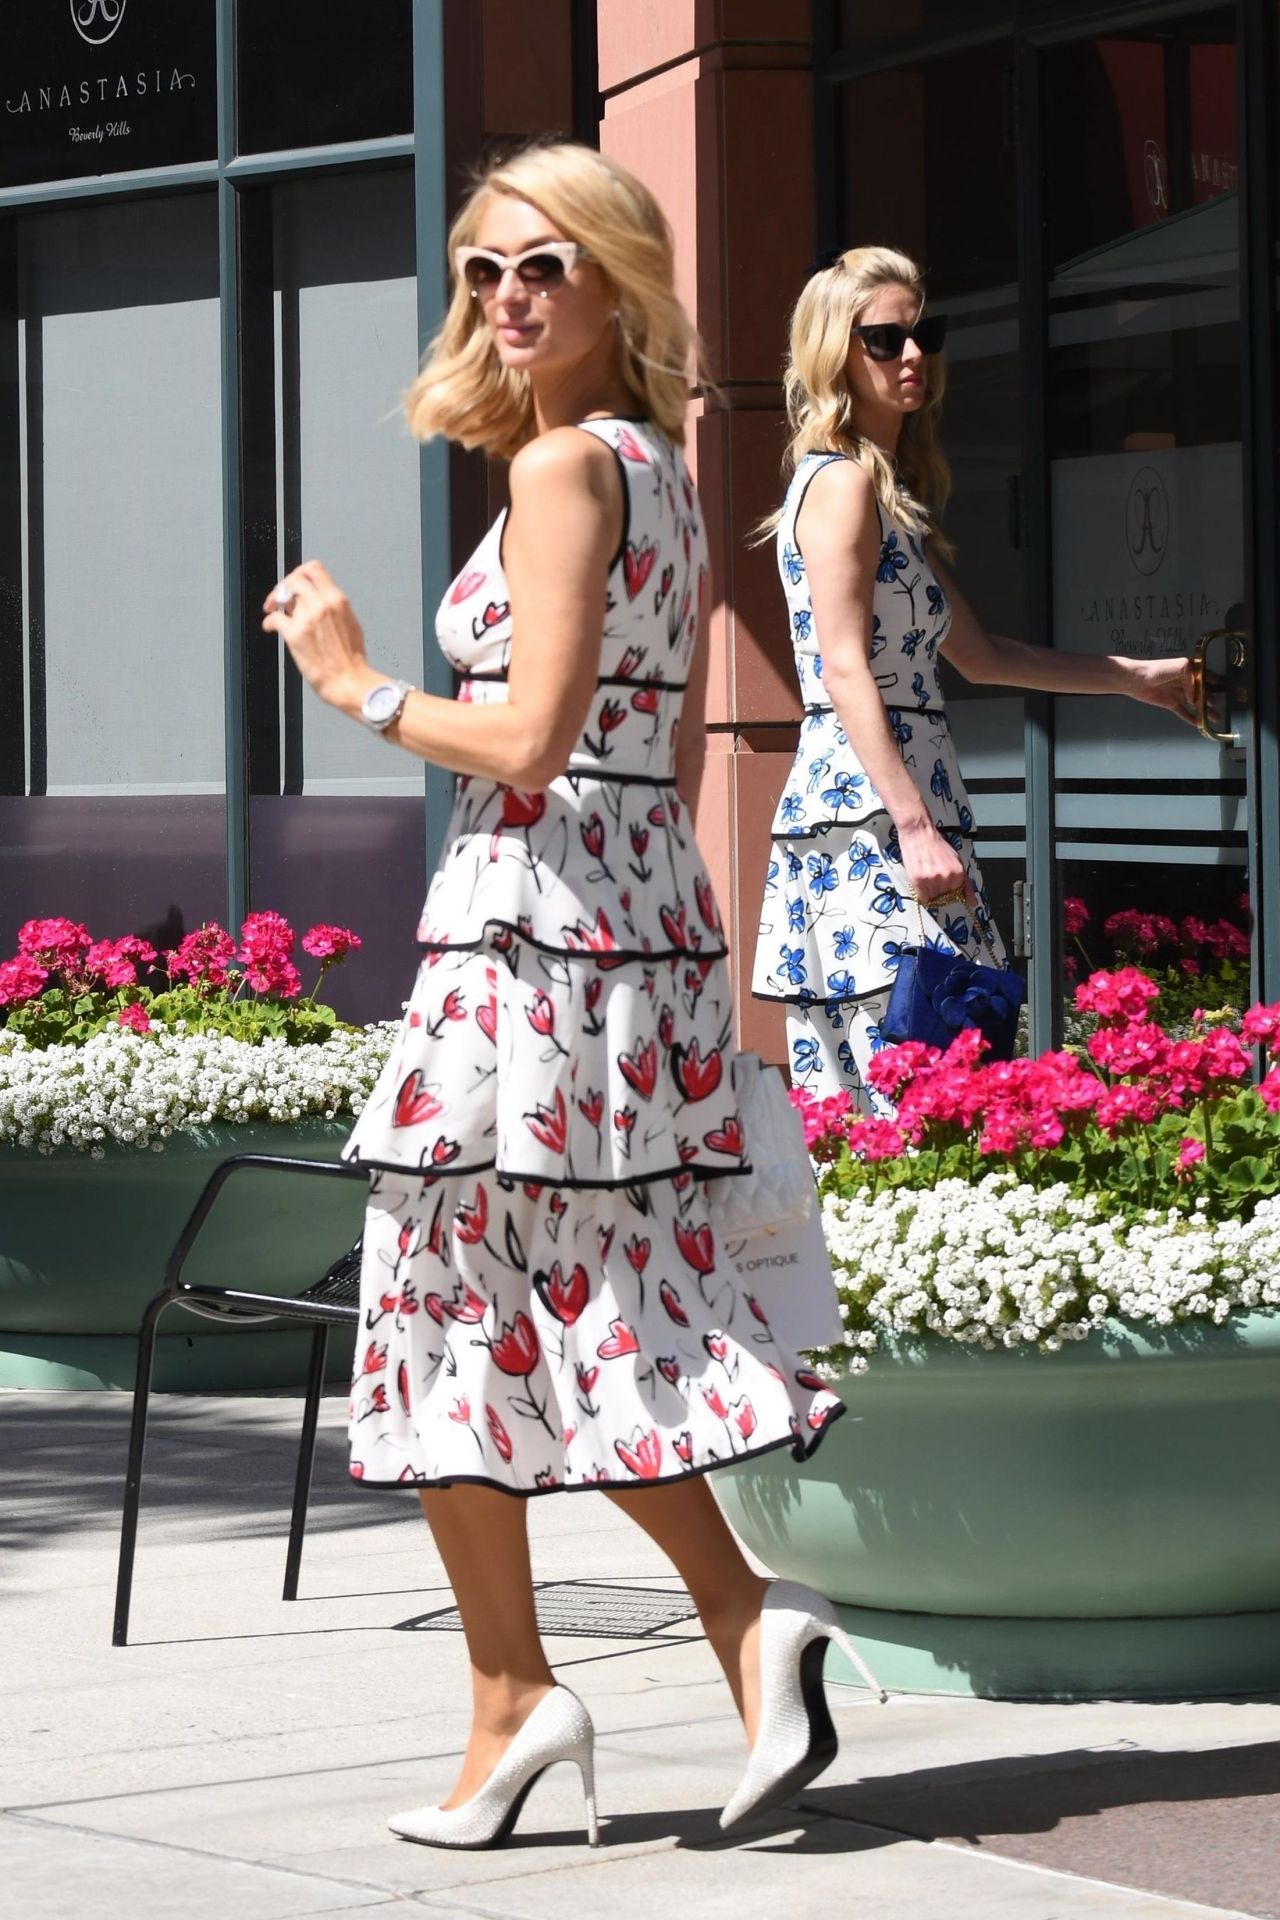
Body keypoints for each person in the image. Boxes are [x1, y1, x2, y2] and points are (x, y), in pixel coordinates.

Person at [263, 142, 869, 1852]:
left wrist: (353, 680)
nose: (509, 295)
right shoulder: (658, 470)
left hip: (533, 939)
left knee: (451, 1304)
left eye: (547, 264)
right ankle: (725, 1635)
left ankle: (533, 1692)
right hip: (626, 927)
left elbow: (529, 745)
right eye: (481, 269)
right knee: (593, 1307)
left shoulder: (556, 476)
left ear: (617, 279)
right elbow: (659, 753)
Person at [752, 245, 1197, 1109]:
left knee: (951, 1064)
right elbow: (844, 663)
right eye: (885, 340)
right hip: (870, 816)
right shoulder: (841, 485)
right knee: (914, 1078)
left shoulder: (882, 497)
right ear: (835, 351)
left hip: (897, 804)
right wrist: (914, 826)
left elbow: (985, 655)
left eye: (923, 334)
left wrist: (1136, 678)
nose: (913, 354)